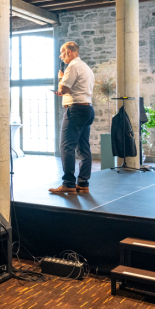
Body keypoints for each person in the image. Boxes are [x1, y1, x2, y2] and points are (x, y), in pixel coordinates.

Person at [50, 41, 95, 194]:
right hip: (87, 109)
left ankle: (68, 183)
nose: (60, 56)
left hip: (76, 110)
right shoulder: (86, 68)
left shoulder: (73, 66)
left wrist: (61, 79)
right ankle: (83, 184)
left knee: (66, 146)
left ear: (69, 52)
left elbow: (64, 88)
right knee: (83, 148)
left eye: (62, 53)